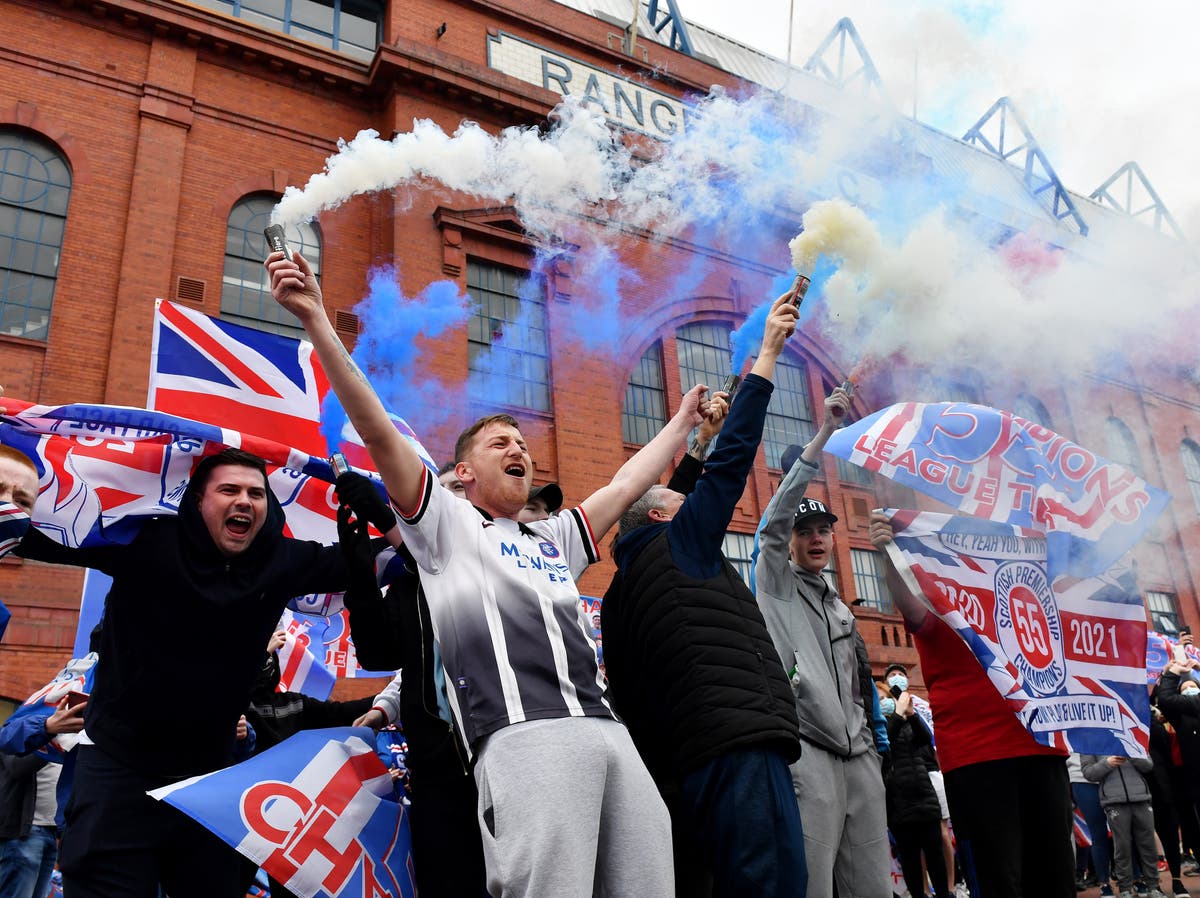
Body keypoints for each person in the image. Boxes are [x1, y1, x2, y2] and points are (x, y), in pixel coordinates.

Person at [268, 247, 720, 898]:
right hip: (523, 743)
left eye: (523, 445)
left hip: (608, 734)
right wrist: (314, 317)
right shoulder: (443, 528)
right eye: (499, 443)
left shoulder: (555, 535)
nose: (519, 450)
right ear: (462, 474)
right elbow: (375, 425)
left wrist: (680, 422)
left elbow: (627, 482)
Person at [16, 447, 353, 897]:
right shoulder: (146, 540)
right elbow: (44, 535)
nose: (244, 501)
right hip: (119, 767)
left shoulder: (283, 560)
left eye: (256, 493)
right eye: (229, 490)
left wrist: (382, 507)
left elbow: (374, 560)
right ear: (197, 500)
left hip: (209, 779)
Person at [601, 292, 805, 898]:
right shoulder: (679, 545)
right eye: (681, 507)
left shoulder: (622, 593)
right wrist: (766, 355)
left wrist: (693, 449)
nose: (696, 511)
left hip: (682, 774)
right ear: (666, 520)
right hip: (740, 748)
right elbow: (734, 462)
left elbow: (664, 501)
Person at [868, 511, 1074, 898]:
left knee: (1056, 877)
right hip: (977, 757)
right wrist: (888, 552)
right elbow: (911, 608)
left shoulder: (1026, 597)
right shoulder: (941, 604)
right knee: (1000, 880)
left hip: (1042, 747)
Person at [753, 385, 890, 898]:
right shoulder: (775, 584)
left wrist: (877, 748)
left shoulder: (839, 603)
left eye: (823, 531)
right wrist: (826, 431)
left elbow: (863, 685)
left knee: (872, 887)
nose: (815, 538)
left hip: (861, 760)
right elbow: (769, 527)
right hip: (810, 755)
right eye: (804, 530)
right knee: (810, 887)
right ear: (790, 538)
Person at [335, 470, 490, 898]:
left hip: (502, 756)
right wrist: (360, 571)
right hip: (436, 766)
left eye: (458, 489)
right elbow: (379, 654)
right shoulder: (408, 579)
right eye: (440, 492)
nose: (446, 500)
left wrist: (382, 517)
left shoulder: (501, 550)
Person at [0, 699, 85, 898]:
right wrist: (49, 734)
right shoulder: (17, 735)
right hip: (25, 833)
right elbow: (17, 768)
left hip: (51, 833)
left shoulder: (68, 741)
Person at [881, 687, 951, 898]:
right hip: (899, 805)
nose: (885, 702)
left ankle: (944, 893)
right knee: (910, 859)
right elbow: (883, 748)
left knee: (935, 855)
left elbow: (925, 738)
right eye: (881, 700)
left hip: (924, 798)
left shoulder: (906, 724)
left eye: (888, 698)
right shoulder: (879, 728)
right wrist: (895, 716)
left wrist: (911, 714)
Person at [1082, 753, 1167, 898]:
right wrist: (1107, 763)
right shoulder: (1092, 739)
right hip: (1113, 801)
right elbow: (1089, 773)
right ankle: (1125, 889)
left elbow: (1148, 765)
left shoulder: (1131, 734)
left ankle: (1154, 887)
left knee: (1148, 845)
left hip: (1140, 797)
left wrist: (1131, 755)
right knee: (1122, 846)